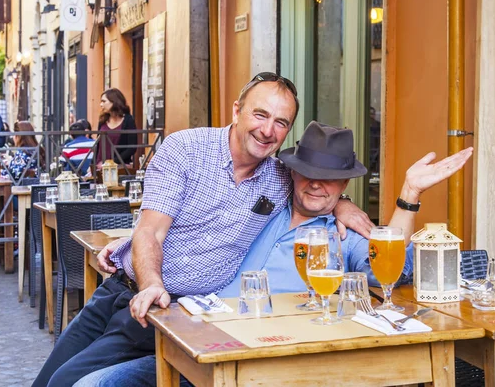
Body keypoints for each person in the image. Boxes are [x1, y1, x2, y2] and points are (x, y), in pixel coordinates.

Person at [33, 72, 372, 386]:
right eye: (260, 115)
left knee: (68, 383)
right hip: (129, 291)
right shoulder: (185, 150)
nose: (268, 130)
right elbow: (151, 230)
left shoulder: (280, 175)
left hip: (176, 314)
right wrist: (151, 284)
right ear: (237, 110)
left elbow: (316, 188)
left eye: (281, 122)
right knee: (49, 381)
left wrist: (343, 203)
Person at [73, 122, 473, 387]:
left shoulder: (344, 233)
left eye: (333, 181)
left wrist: (409, 196)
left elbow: (390, 269)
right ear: (292, 171)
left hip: (274, 361)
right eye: (309, 174)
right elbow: (181, 223)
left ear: (344, 185)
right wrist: (128, 241)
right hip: (195, 341)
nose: (319, 186)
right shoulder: (259, 201)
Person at [94, 88, 137, 167]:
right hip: (99, 166)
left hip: (119, 166)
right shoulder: (103, 120)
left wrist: (112, 163)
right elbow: (97, 145)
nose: (101, 104)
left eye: (104, 101)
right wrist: (93, 164)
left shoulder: (128, 120)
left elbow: (132, 147)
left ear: (114, 101)